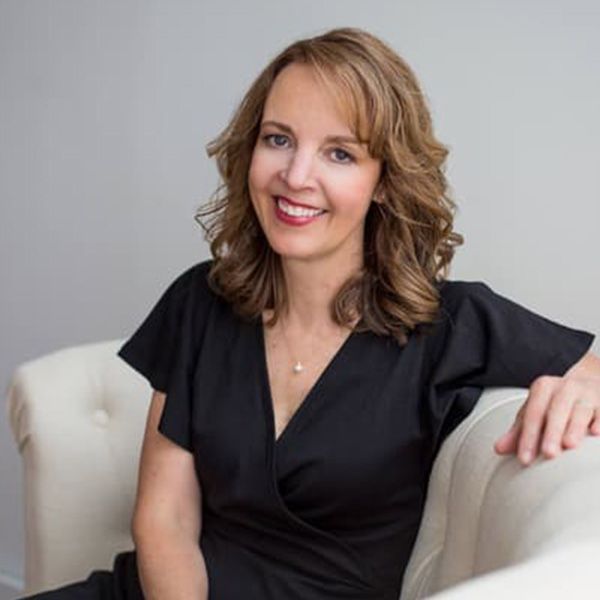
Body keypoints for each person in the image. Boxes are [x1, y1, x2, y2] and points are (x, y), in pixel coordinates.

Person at [22, 26, 599, 600]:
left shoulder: (450, 322)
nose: (296, 177)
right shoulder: (201, 300)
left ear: (385, 181)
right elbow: (163, 520)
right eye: (278, 139)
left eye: (340, 153)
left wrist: (584, 384)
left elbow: (592, 370)